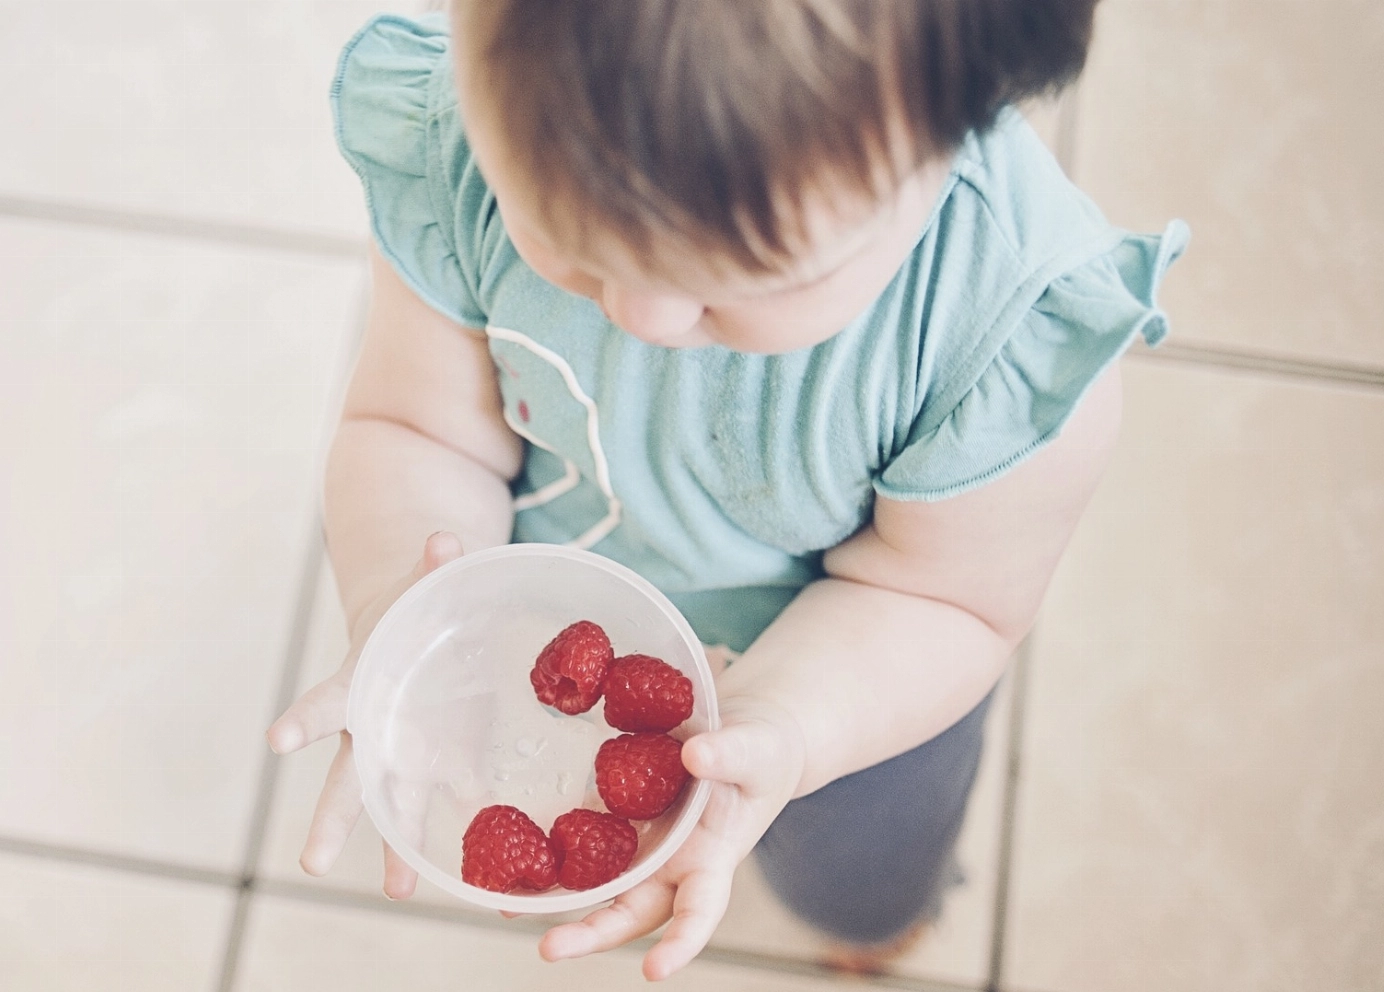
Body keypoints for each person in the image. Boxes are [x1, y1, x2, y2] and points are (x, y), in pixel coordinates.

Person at [266, 0, 1186, 979]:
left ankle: (874, 924)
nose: (645, 314)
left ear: (956, 123)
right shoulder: (461, 143)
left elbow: (945, 597)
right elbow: (419, 429)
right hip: (570, 605)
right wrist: (404, 603)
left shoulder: (1000, 330)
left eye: (747, 280)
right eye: (568, 236)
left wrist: (786, 722)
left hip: (859, 680)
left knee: (858, 874)